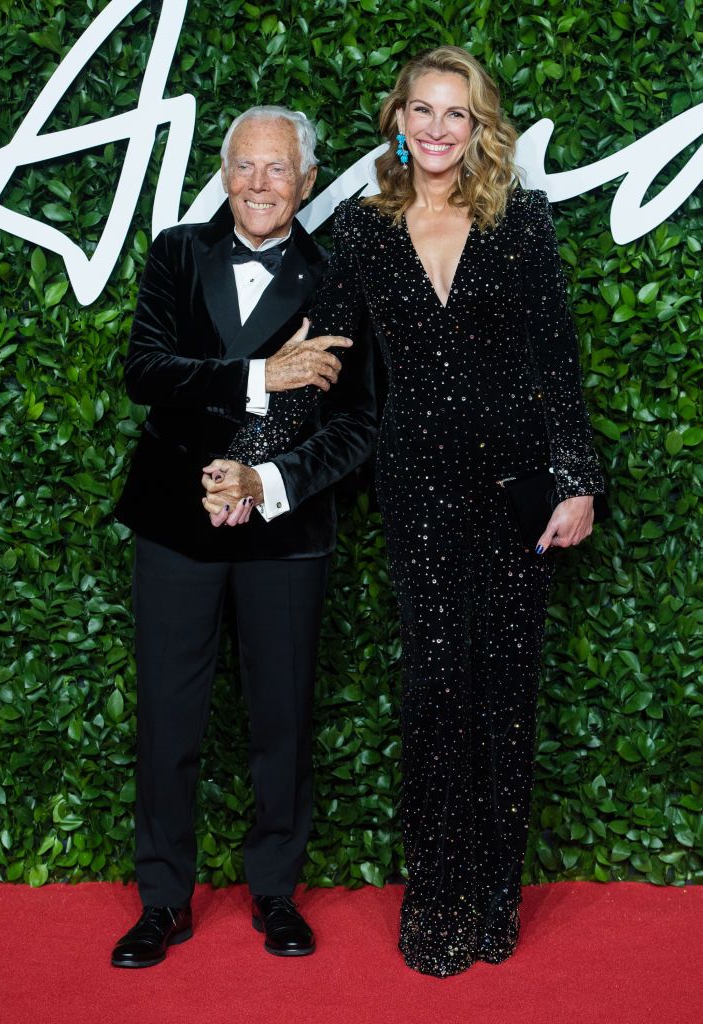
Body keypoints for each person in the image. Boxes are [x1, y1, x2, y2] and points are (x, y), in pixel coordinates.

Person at [215, 47, 605, 977]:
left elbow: (555, 363)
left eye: (456, 114)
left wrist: (577, 478)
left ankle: (490, 903)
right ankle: (434, 908)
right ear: (398, 120)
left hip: (517, 490)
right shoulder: (364, 229)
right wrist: (248, 456)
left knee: (503, 702)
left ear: (478, 129)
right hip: (419, 490)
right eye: (422, 110)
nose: (437, 128)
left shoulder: (521, 221)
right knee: (436, 696)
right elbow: (324, 365)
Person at [111, 105, 377, 968]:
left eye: (278, 170)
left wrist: (265, 481)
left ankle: (273, 893)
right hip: (175, 526)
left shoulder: (339, 280)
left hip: (284, 535)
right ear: (223, 174)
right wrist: (261, 376)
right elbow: (146, 370)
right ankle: (160, 901)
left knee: (281, 720)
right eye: (244, 168)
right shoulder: (176, 255)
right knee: (167, 718)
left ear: (306, 181)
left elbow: (355, 425)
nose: (259, 186)